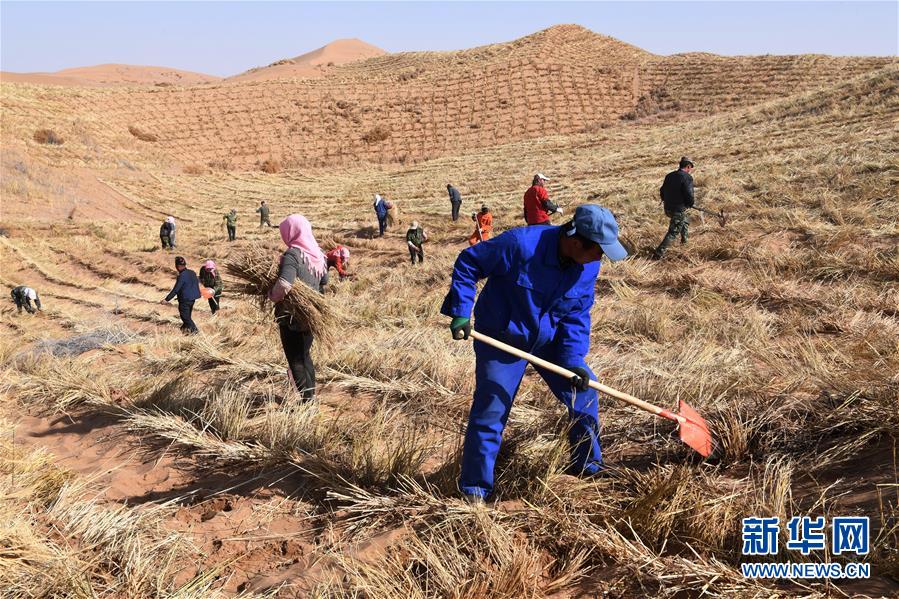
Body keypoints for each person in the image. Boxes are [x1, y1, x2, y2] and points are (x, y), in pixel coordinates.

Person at [441, 204, 628, 503]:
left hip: (549, 339)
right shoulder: (520, 245)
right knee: (492, 408)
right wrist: (461, 311)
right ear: (576, 241)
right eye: (599, 250)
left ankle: (587, 464)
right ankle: (475, 490)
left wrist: (573, 360)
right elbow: (468, 263)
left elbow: (578, 313)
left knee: (586, 392)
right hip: (501, 337)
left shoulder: (588, 265)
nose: (601, 258)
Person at [268, 214, 328, 401]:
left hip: (291, 316)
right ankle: (311, 396)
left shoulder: (293, 254)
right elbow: (324, 281)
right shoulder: (318, 254)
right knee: (305, 355)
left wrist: (272, 296)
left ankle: (306, 401)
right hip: (312, 315)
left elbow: (285, 283)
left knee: (295, 360)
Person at [653, 157, 695, 259]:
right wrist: (690, 203)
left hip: (668, 208)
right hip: (678, 209)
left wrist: (666, 200)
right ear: (688, 166)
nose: (690, 170)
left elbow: (662, 190)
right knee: (673, 231)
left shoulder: (669, 176)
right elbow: (689, 194)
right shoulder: (687, 177)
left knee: (684, 220)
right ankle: (658, 253)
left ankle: (685, 242)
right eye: (691, 168)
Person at [162, 256, 201, 334]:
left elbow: (176, 289)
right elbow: (195, 283)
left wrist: (166, 299)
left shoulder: (182, 276)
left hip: (185, 300)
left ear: (178, 266)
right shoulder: (192, 272)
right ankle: (184, 331)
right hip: (192, 299)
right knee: (187, 317)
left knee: (185, 317)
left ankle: (195, 332)